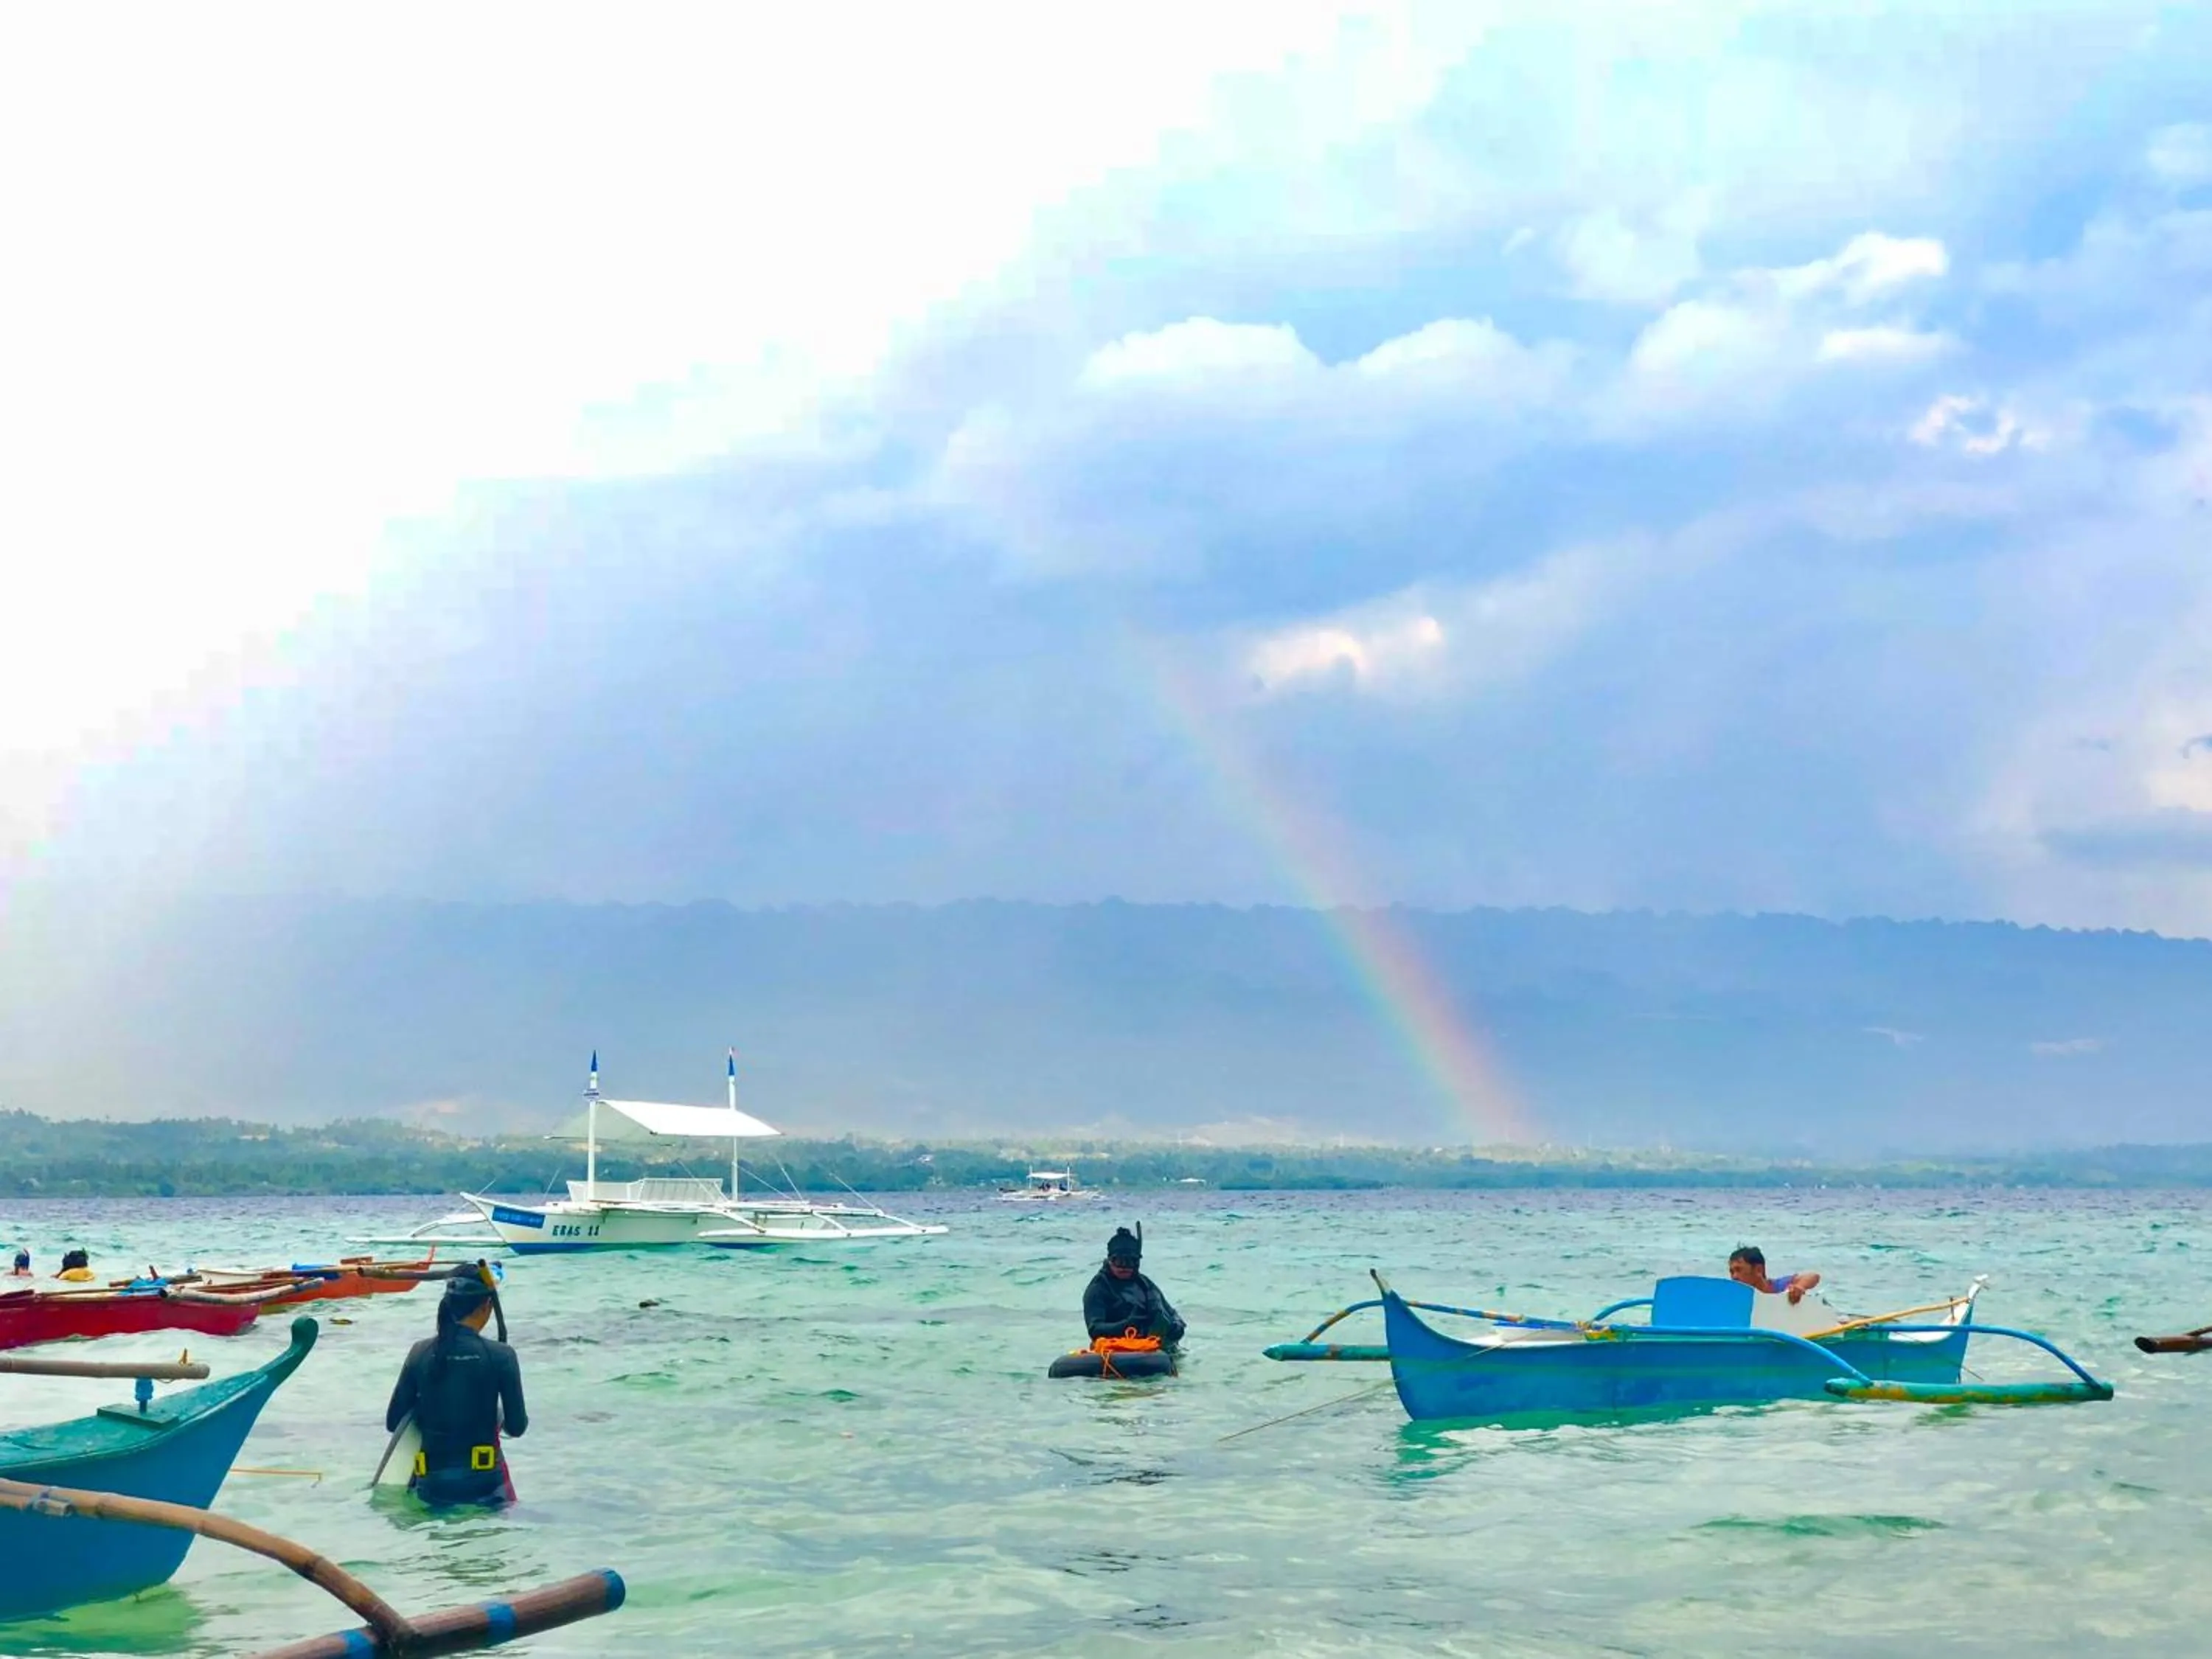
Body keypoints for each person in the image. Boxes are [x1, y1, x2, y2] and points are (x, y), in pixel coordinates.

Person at [383, 1267, 527, 1507]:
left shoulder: (420, 1352)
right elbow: (517, 1427)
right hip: (487, 1486)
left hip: (431, 1486)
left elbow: (393, 1423)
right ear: (486, 1307)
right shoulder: (501, 1355)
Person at [1083, 1225, 1186, 1347]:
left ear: (1137, 1263)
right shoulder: (1099, 1288)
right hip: (1116, 1351)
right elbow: (1095, 1329)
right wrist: (1126, 1325)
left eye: (1130, 1262)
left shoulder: (1145, 1285)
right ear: (1110, 1260)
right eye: (1119, 1262)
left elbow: (1172, 1313)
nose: (1124, 1268)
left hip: (1152, 1349)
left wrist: (1177, 1326)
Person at [1728, 1245, 1821, 1305]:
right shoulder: (1737, 1299)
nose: (1734, 1277)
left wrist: (1799, 1287)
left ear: (1758, 1270)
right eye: (1732, 1272)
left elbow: (1813, 1276)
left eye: (1739, 1270)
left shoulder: (1779, 1287)